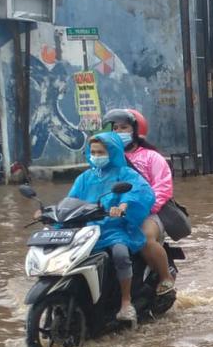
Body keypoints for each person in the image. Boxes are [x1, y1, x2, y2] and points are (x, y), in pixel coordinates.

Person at [66, 132, 155, 322]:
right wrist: (52, 213)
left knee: (120, 254)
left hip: (115, 228)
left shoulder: (125, 174)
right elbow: (71, 200)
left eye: (100, 152)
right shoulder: (84, 178)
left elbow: (138, 191)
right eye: (93, 152)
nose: (96, 156)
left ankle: (125, 302)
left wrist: (123, 206)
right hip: (89, 229)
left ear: (112, 152)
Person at [103, 109, 175, 296]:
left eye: (124, 128)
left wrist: (143, 208)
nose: (119, 132)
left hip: (149, 213)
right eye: (115, 128)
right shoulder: (107, 160)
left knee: (143, 237)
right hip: (114, 213)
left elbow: (163, 187)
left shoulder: (152, 157)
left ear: (135, 130)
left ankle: (165, 276)